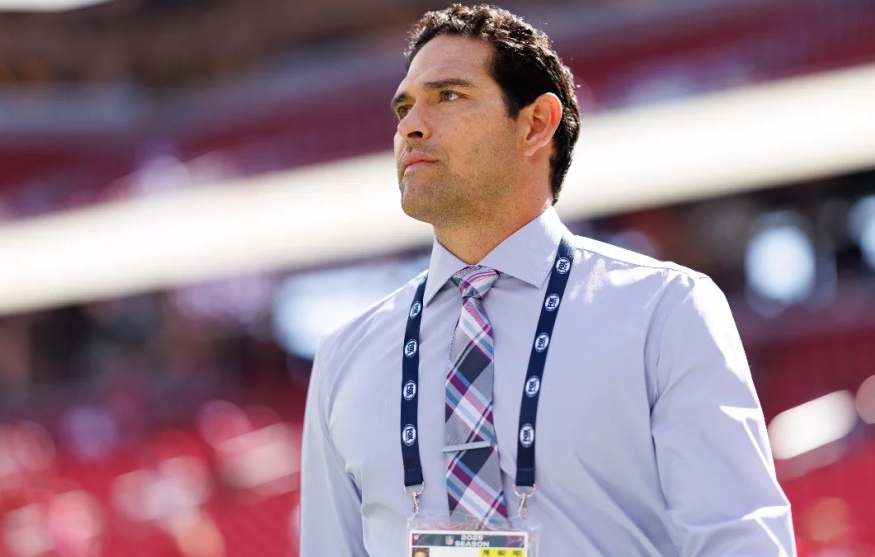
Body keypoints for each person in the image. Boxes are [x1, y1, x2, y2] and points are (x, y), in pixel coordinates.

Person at [300, 4, 795, 556]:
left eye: (449, 95)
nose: (411, 125)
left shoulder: (666, 311)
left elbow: (740, 543)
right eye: (404, 106)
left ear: (536, 124)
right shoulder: (344, 356)